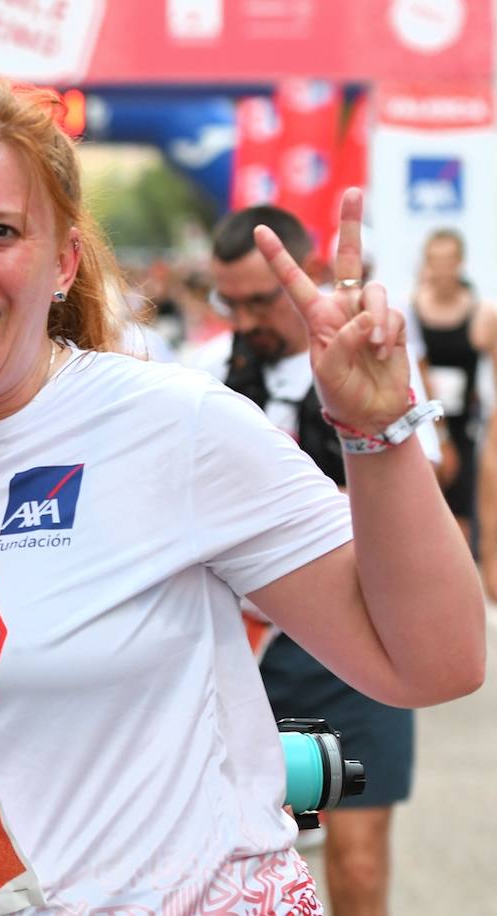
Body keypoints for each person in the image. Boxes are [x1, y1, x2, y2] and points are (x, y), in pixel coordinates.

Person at [0, 78, 483, 915]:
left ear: (64, 262)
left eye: (2, 231)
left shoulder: (173, 426)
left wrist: (378, 434)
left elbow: (436, 662)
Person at [208, 205, 429, 916]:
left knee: (358, 865)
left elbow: (429, 475)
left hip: (354, 642)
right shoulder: (200, 375)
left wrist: (363, 444)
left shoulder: (371, 352)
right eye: (229, 301)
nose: (244, 319)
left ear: (296, 275)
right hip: (235, 653)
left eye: (259, 299)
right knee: (227, 869)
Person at [411, 228, 497, 544]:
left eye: (449, 261)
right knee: (421, 511)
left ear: (460, 263)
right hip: (423, 423)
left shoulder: (481, 312)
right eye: (435, 261)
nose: (442, 270)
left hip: (463, 426)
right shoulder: (414, 308)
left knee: (463, 516)